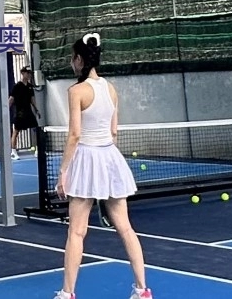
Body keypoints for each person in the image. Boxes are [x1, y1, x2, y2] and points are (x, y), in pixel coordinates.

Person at [53, 34, 150, 299]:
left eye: (72, 58)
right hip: (110, 156)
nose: (71, 63)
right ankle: (142, 290)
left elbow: (74, 135)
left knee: (76, 232)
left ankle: (67, 293)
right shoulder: (111, 89)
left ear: (79, 59)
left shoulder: (76, 91)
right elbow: (113, 131)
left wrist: (63, 172)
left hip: (87, 158)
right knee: (126, 228)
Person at [9, 66, 40, 160]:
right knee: (16, 131)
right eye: (28, 73)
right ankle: (13, 152)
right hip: (19, 112)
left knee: (36, 129)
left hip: (28, 111)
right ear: (22, 73)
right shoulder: (17, 86)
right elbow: (11, 99)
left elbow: (32, 99)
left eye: (30, 73)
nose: (29, 75)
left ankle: (37, 150)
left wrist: (36, 110)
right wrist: (6, 110)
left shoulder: (30, 86)